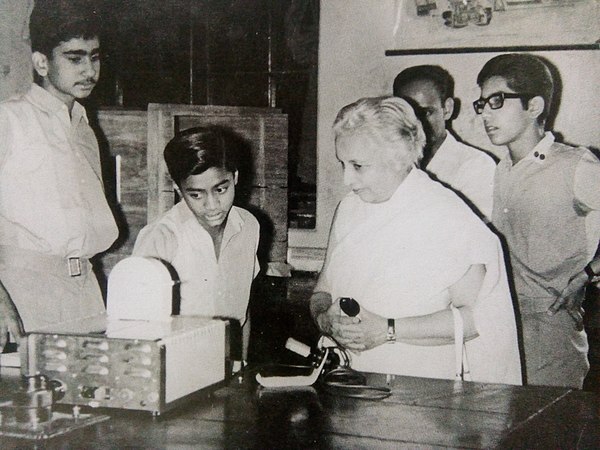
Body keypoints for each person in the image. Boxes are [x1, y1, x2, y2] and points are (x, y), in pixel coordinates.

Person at [310, 96, 521, 385]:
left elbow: (478, 321)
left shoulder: (446, 215)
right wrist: (324, 318)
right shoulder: (349, 209)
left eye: (358, 166)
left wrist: (388, 330)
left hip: (421, 386)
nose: (347, 179)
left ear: (398, 158)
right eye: (342, 164)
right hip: (348, 379)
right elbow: (323, 289)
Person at [475, 53, 600, 388]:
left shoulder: (575, 166)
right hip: (501, 324)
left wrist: (587, 275)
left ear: (534, 106)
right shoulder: (501, 168)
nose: (486, 113)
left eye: (497, 101)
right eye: (482, 103)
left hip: (550, 329)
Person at [0, 0, 118, 344]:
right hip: (24, 297)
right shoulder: (10, 119)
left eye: (95, 57)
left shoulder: (84, 128)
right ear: (41, 62)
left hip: (85, 293)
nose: (89, 69)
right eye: (74, 57)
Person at [132, 126, 260, 358]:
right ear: (179, 190)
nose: (212, 206)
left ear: (235, 177)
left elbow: (244, 309)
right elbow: (137, 329)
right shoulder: (161, 238)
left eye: (221, 189)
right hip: (178, 366)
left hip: (229, 363)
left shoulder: (249, 226)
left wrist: (241, 366)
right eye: (196, 195)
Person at [393, 65, 496, 220]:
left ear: (447, 109)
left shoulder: (476, 166)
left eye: (426, 113)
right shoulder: (389, 163)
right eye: (408, 114)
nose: (416, 124)